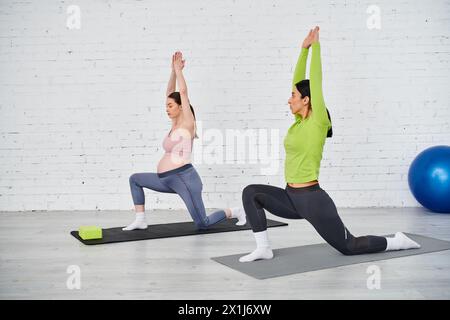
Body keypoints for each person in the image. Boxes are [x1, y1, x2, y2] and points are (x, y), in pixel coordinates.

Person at [239, 26, 420, 262]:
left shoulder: (318, 122)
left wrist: (316, 48)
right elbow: (298, 81)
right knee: (251, 193)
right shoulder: (298, 122)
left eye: (294, 96)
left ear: (306, 100)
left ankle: (397, 242)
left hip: (312, 200)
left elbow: (315, 81)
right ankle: (263, 248)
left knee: (349, 246)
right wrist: (302, 50)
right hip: (290, 196)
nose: (289, 99)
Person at [124, 52, 246, 231]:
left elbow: (182, 92)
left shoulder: (188, 124)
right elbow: (170, 93)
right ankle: (140, 220)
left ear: (182, 107)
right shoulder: (173, 123)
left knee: (202, 223)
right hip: (165, 179)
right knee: (135, 179)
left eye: (170, 106)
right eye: (166, 106)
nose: (167, 109)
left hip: (185, 180)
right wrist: (172, 71)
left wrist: (180, 72)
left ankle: (234, 211)